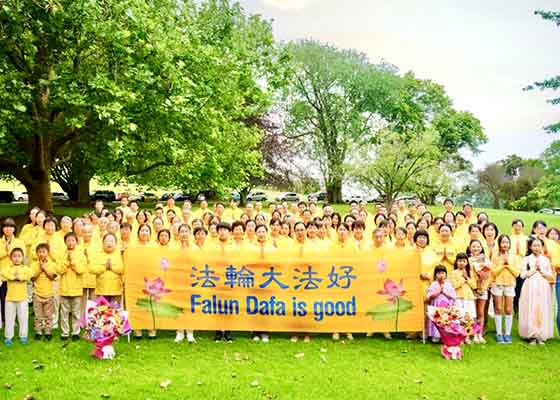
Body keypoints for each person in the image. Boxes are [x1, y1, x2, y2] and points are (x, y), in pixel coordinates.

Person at [519, 237, 554, 345]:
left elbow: (550, 275)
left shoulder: (546, 260)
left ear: (542, 247)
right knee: (531, 307)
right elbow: (522, 275)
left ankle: (540, 334)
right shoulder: (526, 259)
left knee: (542, 308)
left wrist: (542, 271)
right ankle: (531, 335)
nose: (536, 248)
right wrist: (533, 270)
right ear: (530, 247)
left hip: (543, 286)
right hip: (530, 286)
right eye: (534, 245)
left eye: (539, 245)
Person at [57, 232, 86, 341]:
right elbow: (59, 270)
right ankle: (64, 332)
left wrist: (72, 261)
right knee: (64, 312)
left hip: (76, 288)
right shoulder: (61, 254)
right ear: (65, 242)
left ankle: (75, 332)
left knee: (76, 312)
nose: (70, 242)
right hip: (64, 288)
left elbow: (81, 270)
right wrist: (67, 263)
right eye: (68, 240)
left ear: (76, 242)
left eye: (72, 240)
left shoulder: (80, 254)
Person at [491, 235, 519, 344]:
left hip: (510, 284)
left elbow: (516, 273)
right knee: (498, 308)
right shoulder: (495, 256)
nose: (505, 244)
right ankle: (499, 333)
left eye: (507, 242)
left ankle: (507, 334)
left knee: (508, 309)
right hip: (497, 284)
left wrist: (508, 265)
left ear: (509, 244)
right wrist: (503, 265)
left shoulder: (514, 257)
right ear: (499, 244)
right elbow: (493, 272)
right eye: (503, 242)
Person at [1, 248, 31, 345]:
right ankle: (8, 336)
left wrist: (20, 277)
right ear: (11, 258)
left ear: (22, 258)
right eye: (14, 256)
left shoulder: (25, 268)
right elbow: (4, 273)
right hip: (10, 298)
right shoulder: (8, 268)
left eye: (19, 256)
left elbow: (29, 275)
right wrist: (13, 277)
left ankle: (23, 336)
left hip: (22, 298)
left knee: (23, 318)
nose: (17, 258)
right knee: (9, 318)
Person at [0, 218, 26, 328]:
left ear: (14, 229)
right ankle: (4, 319)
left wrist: (10, 250)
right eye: (5, 226)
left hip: (15, 274)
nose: (8, 229)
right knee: (3, 298)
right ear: (2, 229)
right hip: (2, 274)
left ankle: (14, 319)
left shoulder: (19, 242)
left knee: (15, 298)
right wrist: (6, 251)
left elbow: (22, 255)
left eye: (10, 227)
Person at [31, 243, 57, 341]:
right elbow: (33, 278)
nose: (41, 254)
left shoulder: (52, 265)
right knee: (38, 315)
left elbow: (52, 277)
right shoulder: (33, 265)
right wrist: (40, 269)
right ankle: (38, 332)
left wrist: (44, 268)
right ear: (37, 253)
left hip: (49, 294)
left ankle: (48, 332)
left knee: (48, 315)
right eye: (39, 252)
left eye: (44, 252)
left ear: (48, 253)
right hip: (37, 294)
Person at [449, 253, 476, 343]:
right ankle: (459, 336)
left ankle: (467, 336)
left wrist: (467, 277)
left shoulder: (470, 272)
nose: (461, 263)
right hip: (458, 297)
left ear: (467, 262)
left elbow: (474, 285)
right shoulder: (453, 273)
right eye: (459, 261)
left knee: (468, 317)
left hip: (468, 298)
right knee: (459, 317)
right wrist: (463, 279)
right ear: (456, 262)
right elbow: (454, 285)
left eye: (464, 261)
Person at [90, 233, 124, 305]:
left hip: (116, 291)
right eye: (107, 241)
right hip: (101, 291)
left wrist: (112, 267)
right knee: (101, 311)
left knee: (115, 311)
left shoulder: (119, 255)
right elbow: (92, 269)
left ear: (116, 243)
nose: (109, 243)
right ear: (103, 243)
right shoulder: (98, 254)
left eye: (111, 241)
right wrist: (104, 267)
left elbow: (122, 269)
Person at [468, 239, 491, 343]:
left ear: (481, 248)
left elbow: (488, 276)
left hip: (482, 289)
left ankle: (479, 334)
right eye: (473, 246)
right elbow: (468, 276)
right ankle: (472, 333)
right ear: (470, 248)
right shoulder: (468, 260)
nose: (476, 248)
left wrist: (483, 288)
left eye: (478, 246)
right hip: (472, 289)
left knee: (481, 312)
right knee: (473, 313)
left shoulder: (486, 260)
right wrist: (475, 287)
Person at [426, 265, 456, 343]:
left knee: (445, 320)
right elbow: (429, 296)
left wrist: (444, 292)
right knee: (437, 319)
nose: (441, 275)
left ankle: (445, 335)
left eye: (443, 273)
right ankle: (436, 336)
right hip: (436, 305)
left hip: (446, 306)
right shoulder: (433, 284)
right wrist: (438, 291)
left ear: (446, 274)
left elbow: (453, 296)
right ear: (435, 275)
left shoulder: (448, 284)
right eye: (439, 273)